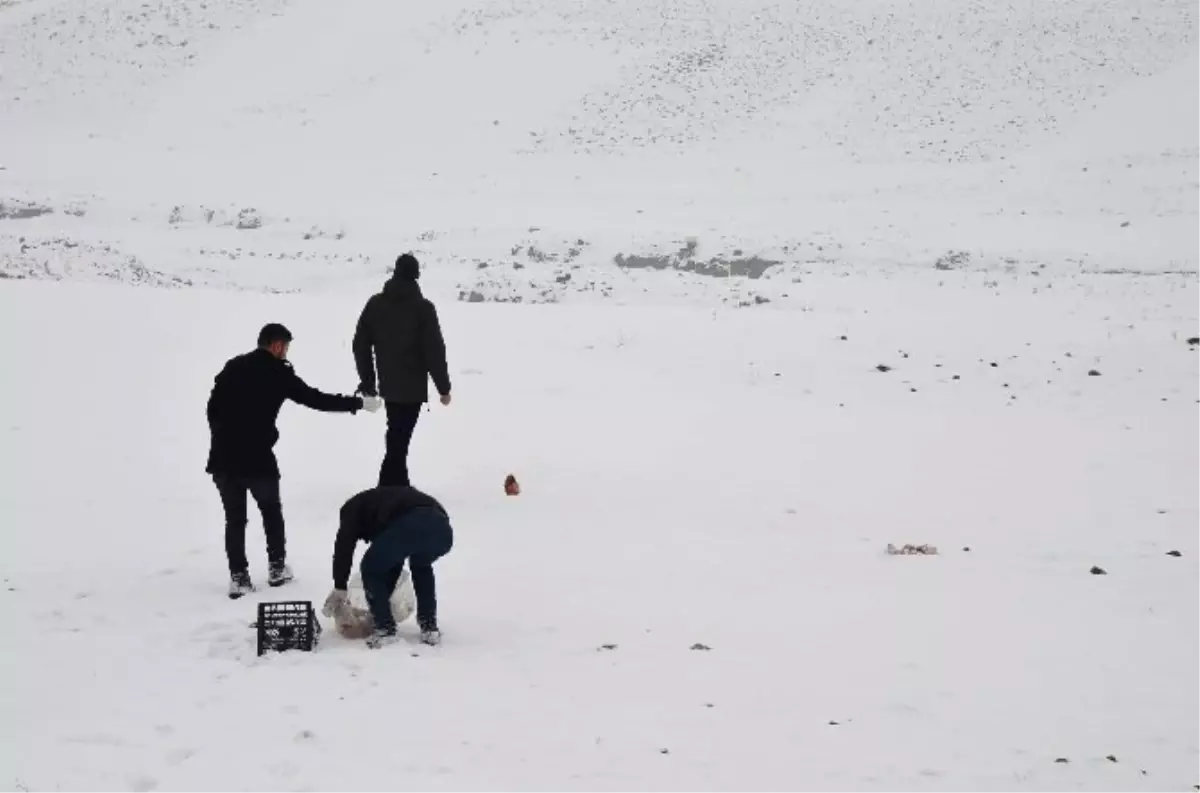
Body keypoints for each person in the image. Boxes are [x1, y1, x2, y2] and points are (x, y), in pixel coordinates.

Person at [206, 322, 382, 598]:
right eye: (286, 347)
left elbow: (212, 409)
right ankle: (277, 567)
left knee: (235, 519)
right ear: (276, 345)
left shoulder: (232, 367)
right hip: (257, 458)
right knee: (271, 511)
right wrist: (357, 404)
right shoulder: (278, 373)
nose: (286, 352)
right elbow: (315, 399)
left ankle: (238, 577)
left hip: (223, 459)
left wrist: (224, 438)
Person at [352, 253, 452, 488]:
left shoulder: (375, 304)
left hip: (388, 384)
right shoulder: (423, 308)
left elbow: (360, 345)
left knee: (397, 434)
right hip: (413, 388)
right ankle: (390, 487)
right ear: (416, 276)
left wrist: (369, 380)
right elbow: (434, 350)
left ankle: (396, 485)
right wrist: (444, 388)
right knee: (399, 437)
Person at [322, 485, 453, 648]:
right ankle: (429, 627)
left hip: (414, 521)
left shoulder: (351, 510)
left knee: (370, 567)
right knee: (421, 566)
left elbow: (344, 546)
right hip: (442, 530)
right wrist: (381, 602)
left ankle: (385, 630)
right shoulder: (382, 505)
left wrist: (340, 586)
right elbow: (392, 564)